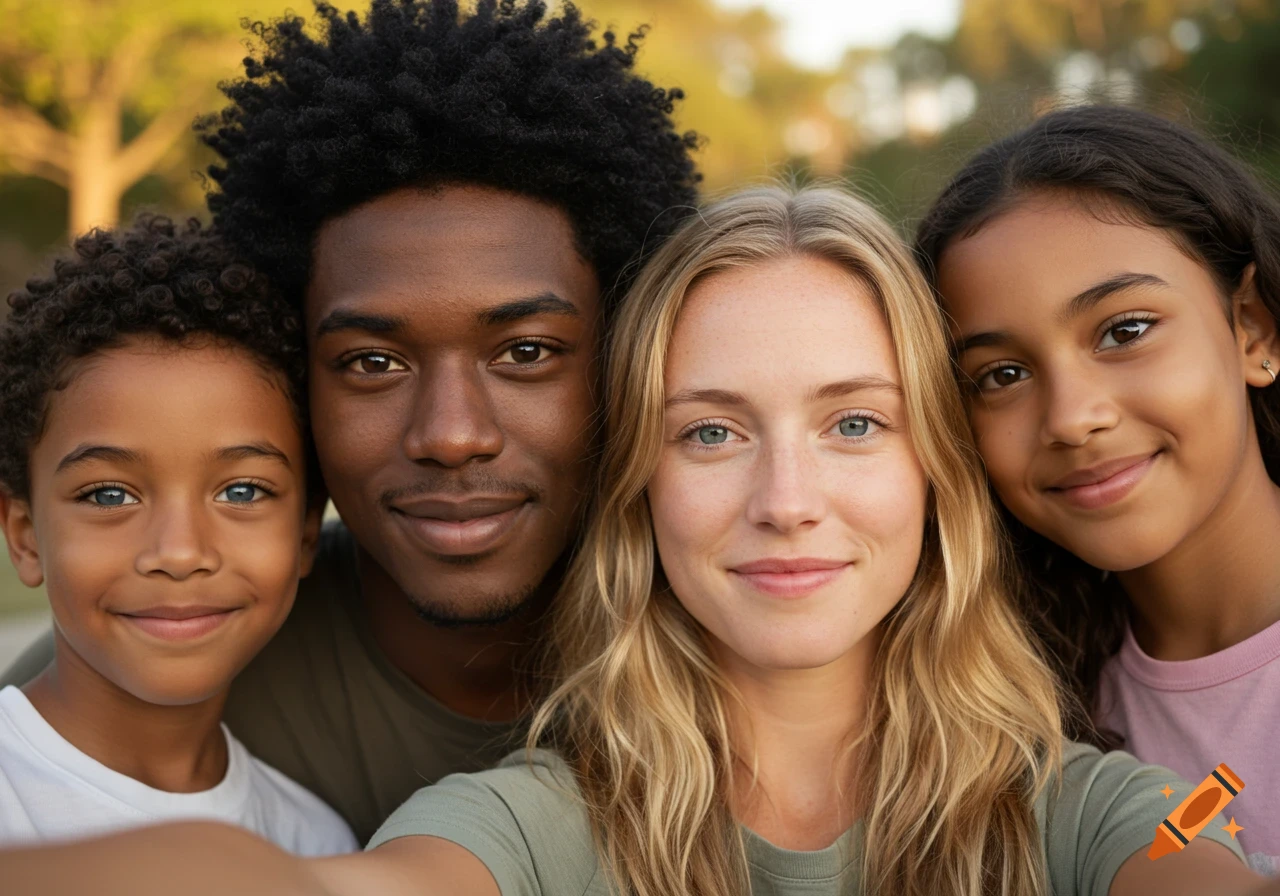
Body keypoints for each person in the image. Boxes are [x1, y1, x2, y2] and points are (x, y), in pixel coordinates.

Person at [3, 185, 1267, 896]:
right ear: (636, 489)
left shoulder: (1098, 808)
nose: (785, 498)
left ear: (936, 469)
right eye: (710, 432)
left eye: (853, 422)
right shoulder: (536, 822)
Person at [0, 0, 699, 842]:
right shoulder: (149, 653)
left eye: (525, 353)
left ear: (624, 356)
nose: (451, 435)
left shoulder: (739, 636)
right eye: (372, 362)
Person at [916, 105, 1280, 874]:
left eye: (1125, 331)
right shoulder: (1021, 719)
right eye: (1002, 375)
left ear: (1253, 329)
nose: (1072, 418)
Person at [0, 216, 354, 854]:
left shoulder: (315, 844)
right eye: (109, 495)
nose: (181, 553)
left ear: (307, 531)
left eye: (241, 491)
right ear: (25, 537)